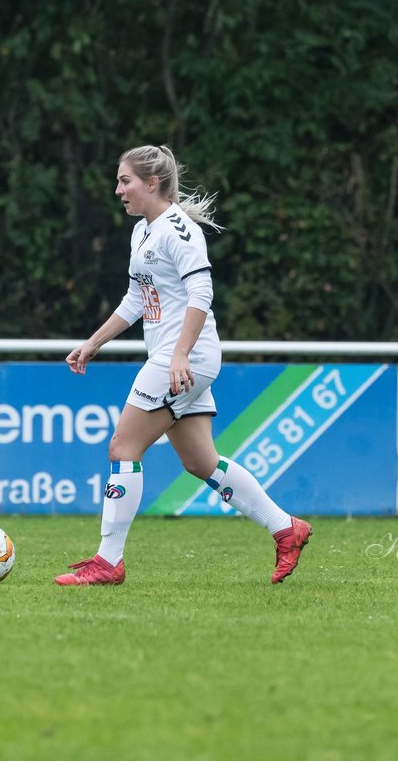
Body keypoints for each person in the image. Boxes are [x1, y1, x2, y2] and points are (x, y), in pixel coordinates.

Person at [55, 144, 312, 586]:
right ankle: (286, 528)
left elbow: (202, 295)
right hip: (177, 357)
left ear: (151, 183)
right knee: (200, 461)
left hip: (183, 357)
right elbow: (137, 300)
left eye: (125, 180)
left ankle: (108, 561)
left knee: (123, 448)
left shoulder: (180, 231)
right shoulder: (142, 232)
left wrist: (178, 356)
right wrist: (94, 342)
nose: (118, 190)